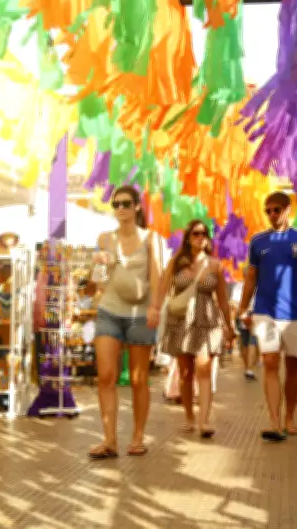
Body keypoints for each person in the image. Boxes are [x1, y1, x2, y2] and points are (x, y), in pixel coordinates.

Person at [238, 191, 297, 441]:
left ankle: (290, 418)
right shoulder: (257, 242)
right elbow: (251, 278)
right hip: (265, 312)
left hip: (296, 313)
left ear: (288, 209)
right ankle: (274, 421)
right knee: (271, 363)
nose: (272, 215)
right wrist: (244, 308)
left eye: (276, 209)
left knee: (293, 367)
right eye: (268, 211)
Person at [86, 186, 162, 459]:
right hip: (110, 310)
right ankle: (109, 440)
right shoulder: (105, 238)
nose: (120, 208)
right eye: (116, 203)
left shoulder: (153, 239)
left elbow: (157, 277)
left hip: (140, 314)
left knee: (139, 380)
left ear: (137, 207)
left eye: (126, 203)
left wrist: (155, 307)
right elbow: (98, 281)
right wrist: (98, 264)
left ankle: (138, 436)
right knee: (106, 376)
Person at [154, 220, 234, 438]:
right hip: (180, 321)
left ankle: (204, 420)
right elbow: (162, 290)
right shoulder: (176, 263)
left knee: (204, 368)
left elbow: (223, 300)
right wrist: (153, 310)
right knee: (186, 373)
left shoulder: (215, 265)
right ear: (188, 237)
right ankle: (189, 415)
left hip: (206, 321)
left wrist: (230, 325)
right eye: (196, 233)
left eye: (204, 233)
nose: (201, 237)